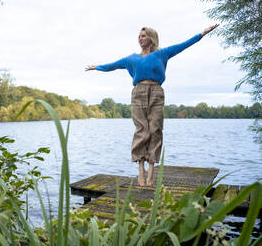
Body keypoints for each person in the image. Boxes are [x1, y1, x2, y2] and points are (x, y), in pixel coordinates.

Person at [85, 24, 219, 187]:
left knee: (155, 129)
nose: (140, 38)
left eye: (143, 36)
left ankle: (151, 170)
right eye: (139, 36)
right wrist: (97, 67)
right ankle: (141, 169)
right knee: (142, 129)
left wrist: (202, 34)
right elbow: (112, 65)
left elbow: (183, 45)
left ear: (151, 38)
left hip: (156, 92)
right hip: (138, 92)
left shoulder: (162, 54)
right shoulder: (131, 58)